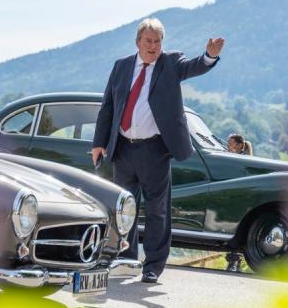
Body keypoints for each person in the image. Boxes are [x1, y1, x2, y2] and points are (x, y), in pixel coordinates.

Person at [91, 17, 225, 284]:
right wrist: (99, 142)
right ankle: (126, 258)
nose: (153, 46)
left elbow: (195, 66)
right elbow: (108, 106)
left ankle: (152, 266)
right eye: (148, 41)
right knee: (124, 207)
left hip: (154, 150)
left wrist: (209, 56)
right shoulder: (121, 67)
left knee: (157, 210)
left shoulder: (171, 63)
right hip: (123, 149)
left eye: (157, 41)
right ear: (138, 42)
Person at [224, 133, 253, 272]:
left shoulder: (243, 160)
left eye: (231, 144)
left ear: (240, 145)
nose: (228, 146)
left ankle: (234, 262)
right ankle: (235, 262)